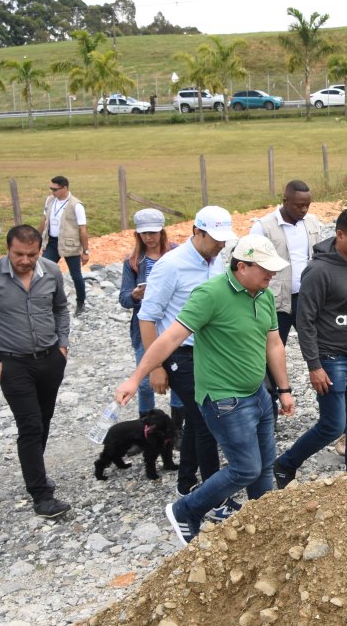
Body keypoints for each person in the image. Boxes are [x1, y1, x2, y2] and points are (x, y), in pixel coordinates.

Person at [115, 234, 296, 545]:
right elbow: (171, 338)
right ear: (242, 266)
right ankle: (185, 510)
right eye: (265, 268)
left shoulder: (263, 294)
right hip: (225, 400)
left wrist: (284, 389)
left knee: (264, 467)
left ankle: (265, 527)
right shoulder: (210, 294)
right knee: (245, 468)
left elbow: (274, 344)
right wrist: (136, 377)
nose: (272, 274)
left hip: (258, 394)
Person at [0, 225, 72, 518]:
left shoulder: (51, 271)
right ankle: (41, 495)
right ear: (7, 249)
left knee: (44, 420)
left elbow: (61, 309)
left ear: (40, 250)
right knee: (30, 425)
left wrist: (63, 347)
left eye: (31, 255)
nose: (25, 260)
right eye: (19, 254)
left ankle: (35, 472)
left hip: (50, 360)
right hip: (13, 364)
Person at [137, 206, 234, 510]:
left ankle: (186, 483)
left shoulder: (217, 261)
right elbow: (147, 317)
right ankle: (214, 499)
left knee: (195, 418)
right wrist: (155, 366)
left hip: (209, 353)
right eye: (215, 239)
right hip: (180, 354)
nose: (221, 245)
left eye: (224, 239)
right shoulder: (170, 266)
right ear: (197, 232)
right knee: (207, 421)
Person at [273, 207, 347, 488]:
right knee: (333, 425)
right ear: (340, 235)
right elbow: (304, 321)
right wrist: (314, 366)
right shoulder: (318, 271)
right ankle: (286, 464)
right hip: (332, 361)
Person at [249, 180, 322, 392]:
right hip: (273, 301)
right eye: (299, 205)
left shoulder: (313, 223)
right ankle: (269, 403)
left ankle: (326, 396)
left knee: (319, 348)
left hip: (306, 299)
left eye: (307, 205)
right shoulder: (263, 226)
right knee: (269, 353)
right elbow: (248, 261)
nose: (304, 210)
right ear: (285, 201)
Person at [118, 208, 183, 426]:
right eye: (144, 233)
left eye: (153, 232)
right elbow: (124, 298)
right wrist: (135, 296)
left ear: (162, 232)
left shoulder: (178, 254)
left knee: (179, 376)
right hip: (144, 326)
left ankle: (177, 427)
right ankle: (146, 427)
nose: (149, 237)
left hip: (174, 323)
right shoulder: (132, 262)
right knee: (145, 382)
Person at [39, 176, 89, 317]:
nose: (52, 192)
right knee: (43, 271)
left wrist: (85, 251)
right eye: (51, 189)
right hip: (52, 243)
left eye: (55, 189)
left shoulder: (76, 205)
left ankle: (81, 302)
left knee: (76, 275)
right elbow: (44, 220)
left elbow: (82, 229)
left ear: (65, 188)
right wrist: (37, 239)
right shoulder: (49, 200)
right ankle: (47, 301)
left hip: (69, 244)